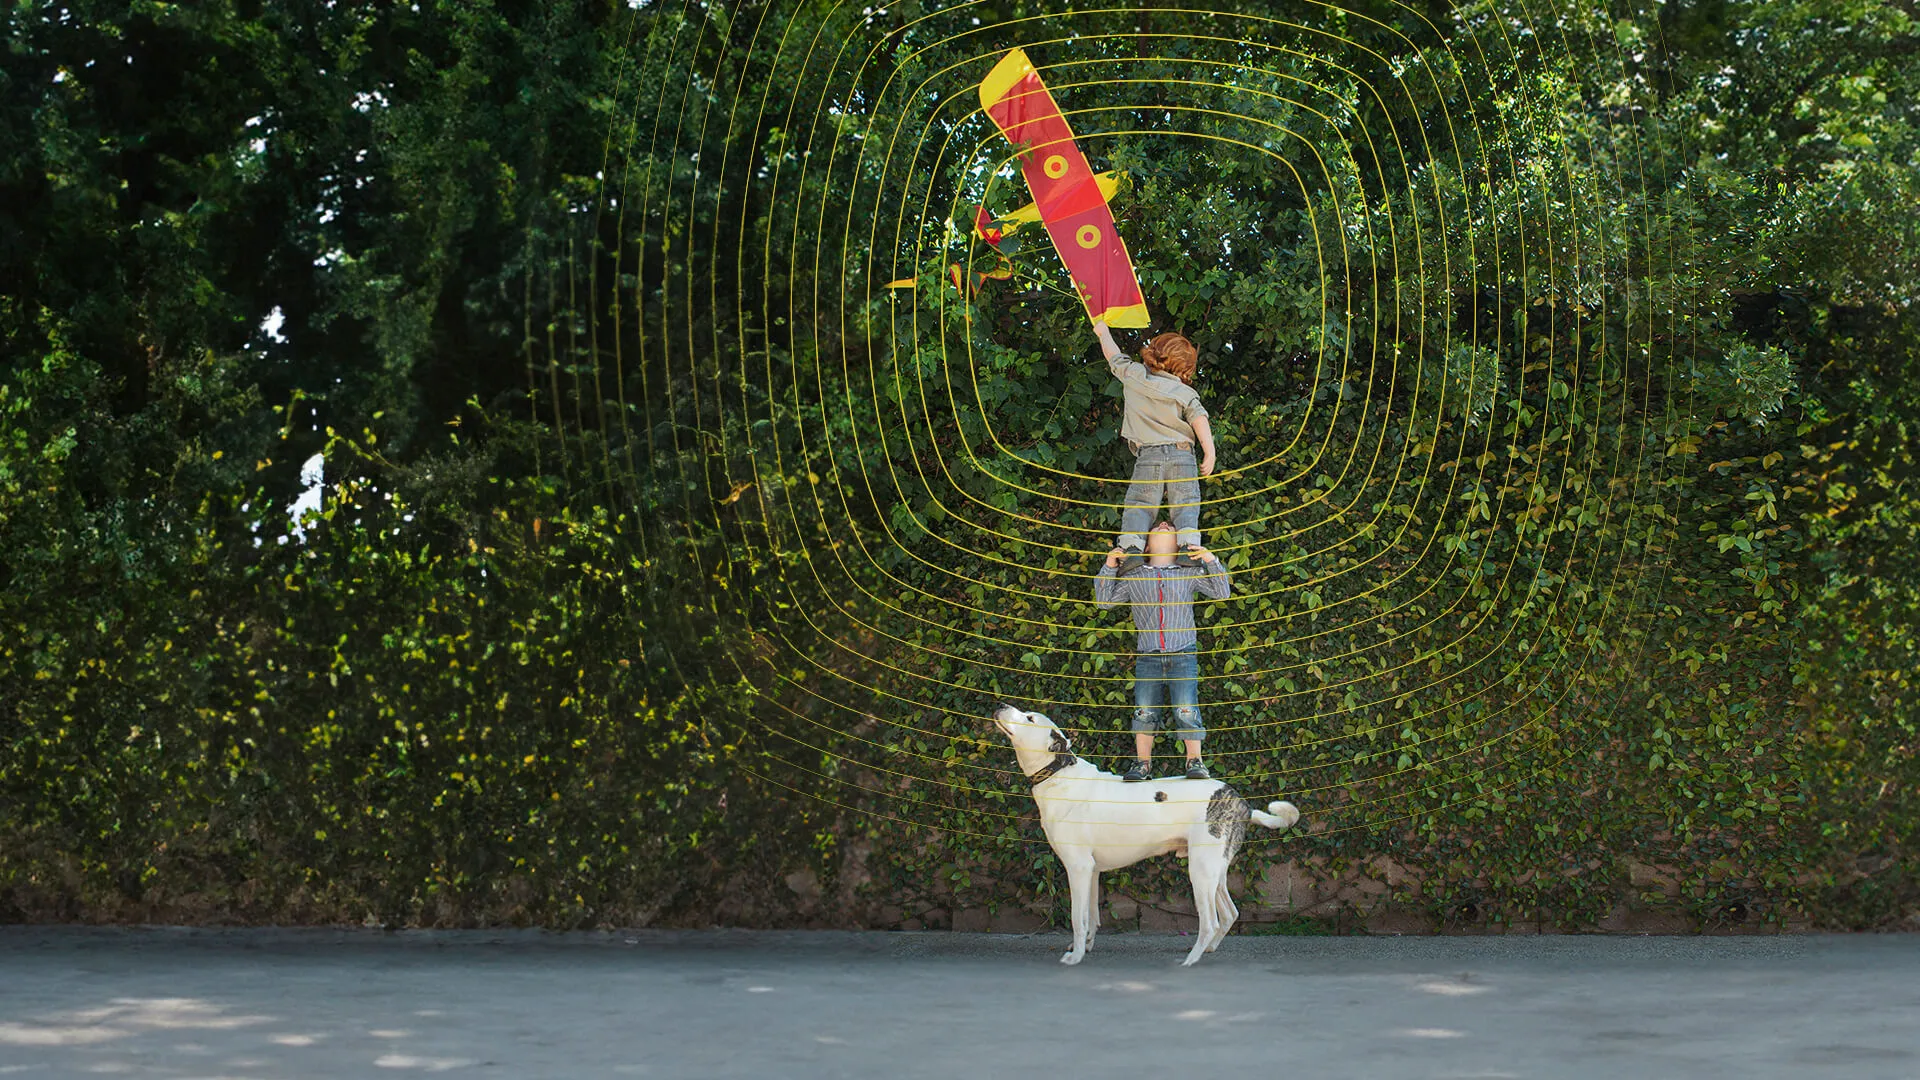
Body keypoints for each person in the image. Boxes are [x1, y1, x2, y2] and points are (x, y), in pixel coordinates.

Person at [1094, 520, 1231, 781]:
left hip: (1183, 653)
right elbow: (1104, 602)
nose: (1165, 524)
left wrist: (1211, 560)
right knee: (1145, 710)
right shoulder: (1135, 577)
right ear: (1146, 546)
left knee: (1186, 709)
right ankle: (1142, 765)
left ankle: (1195, 762)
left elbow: (1222, 592)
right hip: (1148, 655)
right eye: (1158, 527)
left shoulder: (1188, 573)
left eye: (1170, 526)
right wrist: (1109, 566)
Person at [1091, 318, 1216, 575]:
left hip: (1149, 455)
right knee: (1186, 504)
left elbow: (1114, 357)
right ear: (1185, 369)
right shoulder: (1183, 391)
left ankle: (1132, 550)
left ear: (1153, 352)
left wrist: (1103, 332)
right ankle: (1189, 549)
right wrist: (1209, 450)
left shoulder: (1134, 375)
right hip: (1181, 453)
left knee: (1139, 503)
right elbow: (1199, 418)